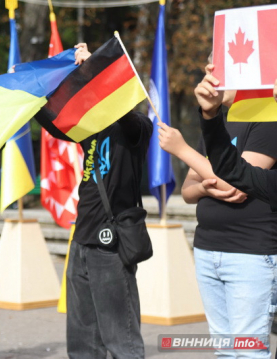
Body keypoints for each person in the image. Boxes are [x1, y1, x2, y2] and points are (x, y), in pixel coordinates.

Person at [160, 67, 277, 357]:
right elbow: (188, 190)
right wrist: (207, 187)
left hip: (249, 252)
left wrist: (182, 149)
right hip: (208, 249)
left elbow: (238, 182)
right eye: (207, 68)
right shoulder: (218, 121)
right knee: (225, 351)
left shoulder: (267, 118)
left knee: (248, 351)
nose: (209, 74)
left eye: (218, 67)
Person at [65, 43, 152, 358]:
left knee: (122, 343)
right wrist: (75, 70)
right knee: (83, 345)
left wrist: (96, 71)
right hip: (82, 239)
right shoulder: (91, 125)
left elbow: (123, 112)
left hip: (111, 245)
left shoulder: (138, 127)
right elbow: (58, 112)